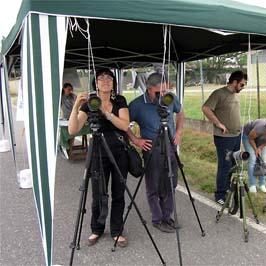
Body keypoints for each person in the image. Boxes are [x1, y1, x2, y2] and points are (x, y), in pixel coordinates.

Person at [68, 68, 130, 247]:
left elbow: (125, 126)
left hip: (120, 153)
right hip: (98, 154)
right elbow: (73, 130)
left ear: (113, 83)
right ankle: (97, 228)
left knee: (119, 193)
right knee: (98, 193)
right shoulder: (90, 103)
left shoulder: (119, 100)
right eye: (101, 78)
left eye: (109, 78)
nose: (105, 81)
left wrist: (107, 112)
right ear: (96, 83)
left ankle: (117, 231)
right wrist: (76, 105)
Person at [128, 72, 185, 233]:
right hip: (151, 148)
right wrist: (135, 140)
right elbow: (125, 124)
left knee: (171, 182)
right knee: (153, 184)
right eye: (159, 92)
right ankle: (157, 218)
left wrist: (179, 132)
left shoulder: (170, 98)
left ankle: (168, 216)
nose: (163, 96)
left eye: (165, 91)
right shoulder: (137, 104)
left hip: (171, 146)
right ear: (149, 89)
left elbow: (180, 113)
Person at [202, 70, 247, 205]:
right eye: (242, 85)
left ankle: (227, 189)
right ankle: (220, 195)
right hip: (224, 137)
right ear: (234, 82)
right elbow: (206, 108)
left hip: (236, 136)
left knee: (233, 164)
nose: (243, 87)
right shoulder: (219, 93)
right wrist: (218, 123)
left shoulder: (234, 94)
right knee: (225, 165)